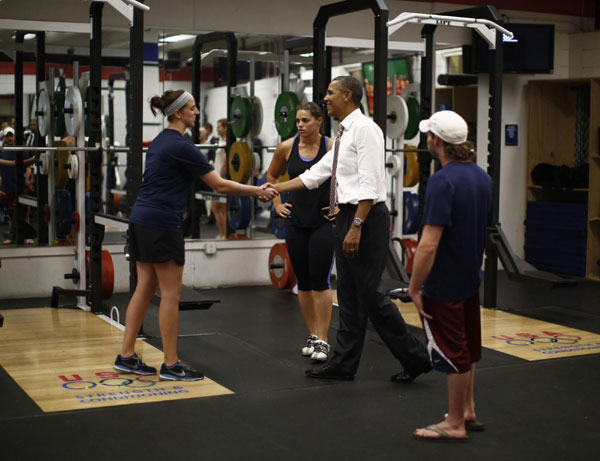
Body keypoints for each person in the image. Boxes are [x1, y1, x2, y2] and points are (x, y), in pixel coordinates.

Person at [273, 76, 431, 382]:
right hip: (347, 216)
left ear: (348, 95)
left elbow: (370, 183)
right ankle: (344, 364)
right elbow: (316, 174)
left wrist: (357, 225)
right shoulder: (344, 133)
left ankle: (416, 358)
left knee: (371, 295)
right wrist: (272, 188)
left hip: (365, 217)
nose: (326, 97)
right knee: (347, 294)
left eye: (330, 93)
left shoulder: (366, 130)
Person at [113, 89, 277, 381]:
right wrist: (257, 190)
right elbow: (219, 185)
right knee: (171, 295)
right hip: (162, 222)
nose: (197, 112)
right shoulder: (181, 145)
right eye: (192, 107)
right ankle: (172, 364)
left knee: (144, 287)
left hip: (141, 218)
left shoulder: (161, 141)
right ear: (177, 113)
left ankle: (126, 355)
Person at [409, 111, 492, 441]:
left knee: (452, 351)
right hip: (470, 277)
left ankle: (455, 423)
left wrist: (415, 288)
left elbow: (428, 245)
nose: (427, 139)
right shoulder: (482, 177)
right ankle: (468, 409)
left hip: (445, 282)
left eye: (429, 135)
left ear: (436, 141)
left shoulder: (443, 181)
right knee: (468, 349)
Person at [266, 102, 335, 362]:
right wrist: (276, 203)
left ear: (319, 122)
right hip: (295, 220)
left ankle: (324, 340)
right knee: (303, 281)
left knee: (320, 280)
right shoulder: (286, 147)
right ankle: (313, 335)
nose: (300, 125)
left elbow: (347, 176)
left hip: (323, 221)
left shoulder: (330, 147)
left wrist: (339, 204)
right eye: (298, 121)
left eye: (306, 120)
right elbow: (272, 176)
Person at [0, 127, 35, 244]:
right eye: (7, 136)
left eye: (11, 136)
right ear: (4, 137)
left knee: (25, 213)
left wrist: (28, 178)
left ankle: (27, 236)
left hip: (20, 186)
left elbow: (29, 165)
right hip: (6, 186)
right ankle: (12, 236)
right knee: (10, 214)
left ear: (14, 136)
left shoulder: (20, 150)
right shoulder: (1, 150)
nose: (10, 138)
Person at [211, 118, 228, 239]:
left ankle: (224, 234)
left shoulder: (225, 142)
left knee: (219, 207)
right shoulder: (221, 141)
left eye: (219, 127)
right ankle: (223, 234)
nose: (217, 129)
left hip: (221, 179)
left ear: (226, 128)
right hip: (218, 177)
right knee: (217, 208)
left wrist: (220, 180)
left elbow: (225, 163)